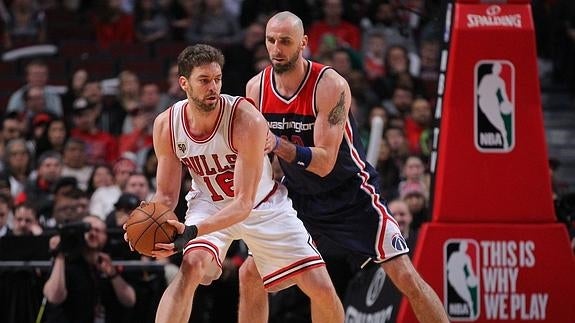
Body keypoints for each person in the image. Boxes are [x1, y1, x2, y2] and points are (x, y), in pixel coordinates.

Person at [238, 11, 449, 323]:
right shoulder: (255, 88)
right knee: (250, 274)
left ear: (303, 43)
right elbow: (258, 155)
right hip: (300, 199)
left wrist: (276, 144)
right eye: (271, 40)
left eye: (285, 41)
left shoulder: (330, 85)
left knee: (405, 277)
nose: (276, 48)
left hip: (351, 194)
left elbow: (324, 162)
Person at [130, 44, 344, 323]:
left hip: (260, 204)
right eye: (204, 81)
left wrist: (191, 231)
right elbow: (167, 196)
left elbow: (243, 203)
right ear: (184, 83)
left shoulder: (245, 119)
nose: (213, 87)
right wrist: (149, 227)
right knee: (191, 267)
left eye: (217, 79)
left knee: (322, 289)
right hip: (209, 202)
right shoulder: (166, 125)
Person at [42, 215, 137, 323]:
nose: (93, 233)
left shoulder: (108, 263)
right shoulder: (67, 262)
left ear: (105, 236)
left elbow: (130, 300)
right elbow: (54, 297)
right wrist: (59, 254)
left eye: (98, 230)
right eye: (87, 229)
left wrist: (113, 275)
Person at [477, 62, 512, 149]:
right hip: (485, 101)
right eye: (495, 68)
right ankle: (503, 137)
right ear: (493, 69)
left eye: (498, 69)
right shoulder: (486, 78)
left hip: (491, 101)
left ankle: (505, 140)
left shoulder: (500, 81)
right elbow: (479, 91)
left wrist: (507, 104)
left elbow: (504, 95)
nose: (496, 70)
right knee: (495, 121)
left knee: (499, 122)